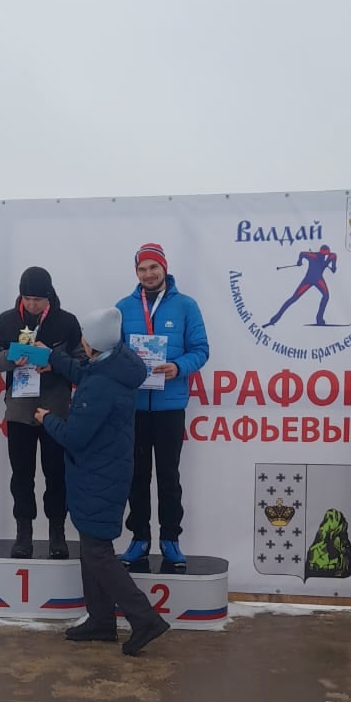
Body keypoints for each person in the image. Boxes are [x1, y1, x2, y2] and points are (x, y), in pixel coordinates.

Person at [35, 308, 170, 655]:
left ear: (92, 343)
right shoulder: (116, 363)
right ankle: (100, 619)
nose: (81, 339)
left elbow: (75, 436)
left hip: (97, 474)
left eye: (84, 335)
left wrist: (47, 419)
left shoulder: (100, 386)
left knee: (98, 553)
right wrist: (53, 357)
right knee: (91, 548)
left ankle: (145, 619)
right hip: (103, 470)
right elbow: (83, 371)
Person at [116, 243, 209, 569]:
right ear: (136, 273)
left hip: (170, 406)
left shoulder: (186, 306)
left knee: (169, 475)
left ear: (164, 268)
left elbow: (201, 349)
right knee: (136, 476)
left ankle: (171, 538)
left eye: (153, 267)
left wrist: (178, 367)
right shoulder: (123, 307)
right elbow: (113, 351)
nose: (148, 274)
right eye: (142, 269)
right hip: (135, 407)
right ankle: (139, 538)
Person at [0, 266, 82, 560]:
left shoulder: (67, 322)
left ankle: (57, 533)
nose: (32, 305)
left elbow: (82, 363)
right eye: (27, 299)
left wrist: (54, 361)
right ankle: (23, 533)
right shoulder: (8, 321)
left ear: (49, 296)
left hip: (55, 412)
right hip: (19, 412)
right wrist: (10, 358)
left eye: (38, 299)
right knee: (21, 476)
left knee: (56, 475)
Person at [263, 245, 337, 329]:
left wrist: (333, 267)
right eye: (323, 254)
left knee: (326, 296)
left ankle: (319, 319)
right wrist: (299, 261)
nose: (324, 256)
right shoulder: (314, 255)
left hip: (318, 279)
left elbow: (334, 259)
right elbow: (302, 253)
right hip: (309, 280)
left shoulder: (330, 256)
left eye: (325, 254)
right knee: (294, 298)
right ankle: (274, 320)